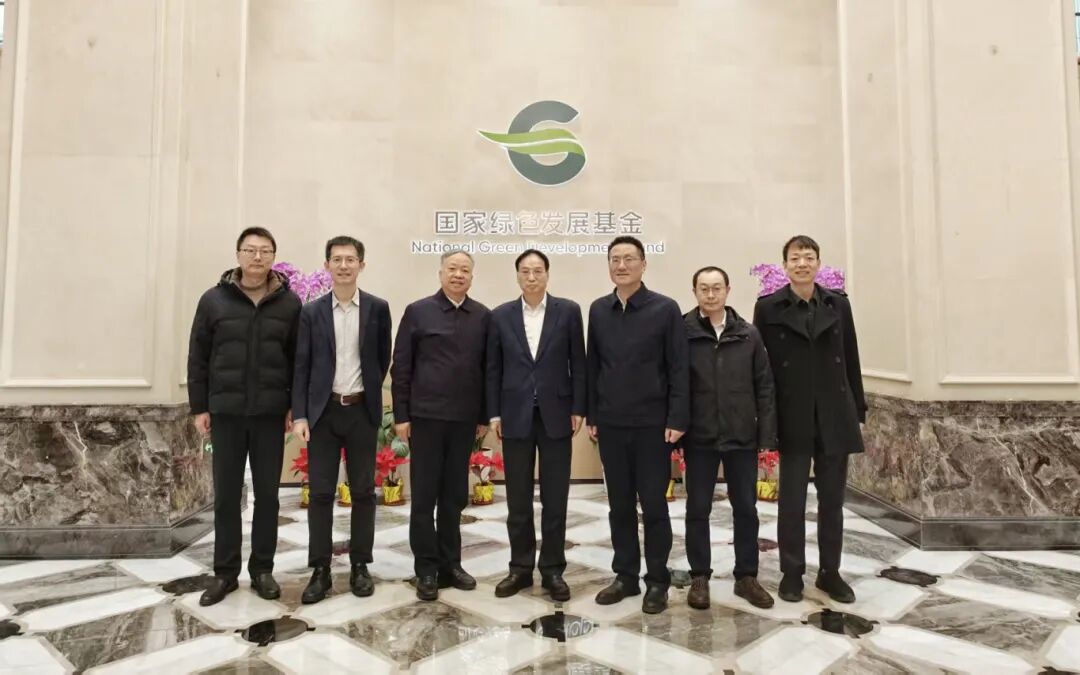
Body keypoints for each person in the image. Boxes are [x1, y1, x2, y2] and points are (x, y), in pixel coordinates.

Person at [187, 226, 301, 606]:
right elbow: (198, 356)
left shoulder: (289, 303)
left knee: (268, 496)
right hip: (226, 413)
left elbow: (296, 360)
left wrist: (293, 406)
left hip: (270, 413)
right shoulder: (213, 300)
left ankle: (263, 569)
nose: (257, 257)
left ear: (273, 257)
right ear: (238, 254)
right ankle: (225, 573)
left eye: (265, 251)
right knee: (226, 496)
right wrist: (200, 407)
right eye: (250, 250)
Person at [753, 235, 867, 604]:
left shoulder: (838, 304)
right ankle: (792, 573)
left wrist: (858, 409)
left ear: (818, 263)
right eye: (795, 258)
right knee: (791, 502)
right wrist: (765, 420)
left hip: (834, 414)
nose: (802, 263)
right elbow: (762, 370)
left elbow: (850, 357)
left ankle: (830, 573)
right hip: (792, 415)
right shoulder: (768, 307)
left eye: (808, 257)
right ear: (784, 265)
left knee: (832, 502)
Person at [586, 235, 689, 614]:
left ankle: (657, 579)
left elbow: (679, 367)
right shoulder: (599, 310)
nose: (621, 265)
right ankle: (625, 575)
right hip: (611, 424)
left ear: (644, 264)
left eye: (629, 258)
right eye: (615, 259)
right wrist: (593, 414)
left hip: (653, 426)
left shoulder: (665, 309)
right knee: (619, 505)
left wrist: (677, 417)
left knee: (654, 505)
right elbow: (593, 366)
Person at [291, 236, 392, 603]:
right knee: (320, 493)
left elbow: (382, 357)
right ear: (327, 266)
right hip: (323, 413)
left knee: (363, 492)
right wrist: (301, 414)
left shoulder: (378, 308)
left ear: (361, 265)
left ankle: (360, 564)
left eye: (351, 259)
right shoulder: (311, 312)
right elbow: (301, 365)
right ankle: (320, 569)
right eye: (337, 259)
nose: (344, 265)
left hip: (362, 411)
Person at [486, 249, 586, 602]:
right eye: (525, 271)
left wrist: (578, 407)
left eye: (538, 271)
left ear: (547, 274)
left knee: (556, 497)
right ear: (517, 276)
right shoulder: (500, 315)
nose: (531, 277)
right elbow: (493, 369)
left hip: (557, 414)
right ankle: (520, 567)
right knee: (518, 498)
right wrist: (494, 414)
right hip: (514, 415)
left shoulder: (568, 311)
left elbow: (579, 362)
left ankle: (553, 570)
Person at [392, 250, 490, 601]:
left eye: (465, 270)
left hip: (464, 420)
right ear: (441, 273)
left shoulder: (483, 316)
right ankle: (426, 569)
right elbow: (401, 367)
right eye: (452, 269)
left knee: (454, 496)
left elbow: (488, 370)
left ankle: (452, 564)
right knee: (424, 497)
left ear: (472, 277)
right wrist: (401, 416)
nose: (458, 275)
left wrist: (484, 416)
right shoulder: (418, 311)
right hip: (426, 419)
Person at [682, 266, 777, 610]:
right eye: (704, 288)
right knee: (697, 508)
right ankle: (699, 576)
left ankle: (746, 577)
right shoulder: (682, 332)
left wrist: (766, 436)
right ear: (695, 292)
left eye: (716, 288)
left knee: (746, 509)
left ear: (727, 290)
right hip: (699, 436)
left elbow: (764, 387)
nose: (710, 294)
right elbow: (674, 384)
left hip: (741, 436)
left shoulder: (748, 334)